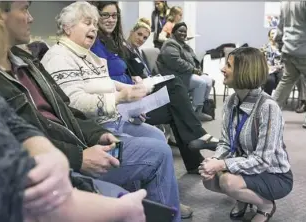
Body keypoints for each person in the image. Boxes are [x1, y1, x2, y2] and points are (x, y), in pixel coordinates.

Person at [0, 1, 180, 220]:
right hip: (73, 150)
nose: (94, 27)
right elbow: (60, 114)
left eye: (94, 23)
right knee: (158, 153)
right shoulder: (57, 57)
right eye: (87, 22)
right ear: (68, 27)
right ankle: (160, 206)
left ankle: (160, 203)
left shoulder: (29, 61)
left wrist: (96, 134)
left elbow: (65, 110)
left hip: (87, 136)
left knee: (154, 140)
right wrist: (79, 156)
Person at [0, 2, 147, 222]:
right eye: (25, 9)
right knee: (154, 155)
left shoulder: (29, 61)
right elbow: (5, 180)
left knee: (149, 146)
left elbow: (42, 116)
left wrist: (87, 137)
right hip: (62, 166)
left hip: (76, 145)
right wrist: (75, 159)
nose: (31, 18)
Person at [200, 47, 293, 222]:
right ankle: (243, 197)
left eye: (228, 65)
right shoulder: (231, 102)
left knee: (228, 182)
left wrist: (221, 164)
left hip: (274, 174)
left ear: (244, 71)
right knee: (209, 179)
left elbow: (263, 161)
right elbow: (226, 143)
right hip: (244, 165)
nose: (222, 69)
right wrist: (213, 161)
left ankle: (266, 205)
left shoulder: (268, 107)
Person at [124, 17, 219, 166]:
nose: (141, 39)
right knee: (176, 90)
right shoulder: (123, 52)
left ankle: (194, 162)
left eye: (145, 37)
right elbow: (126, 78)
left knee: (177, 107)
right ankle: (199, 136)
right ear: (131, 32)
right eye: (139, 34)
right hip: (133, 102)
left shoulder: (136, 52)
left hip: (145, 91)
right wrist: (136, 80)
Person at [156, 22, 214, 121]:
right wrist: (193, 70)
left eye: (184, 32)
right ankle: (192, 113)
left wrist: (198, 71)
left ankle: (198, 111)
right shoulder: (170, 44)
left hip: (184, 72)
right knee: (201, 83)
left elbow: (191, 59)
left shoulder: (182, 44)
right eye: (180, 31)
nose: (183, 33)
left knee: (208, 81)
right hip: (172, 75)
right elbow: (176, 62)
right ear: (174, 32)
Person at [273, 1, 306, 129]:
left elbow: (280, 26)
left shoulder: (286, 1)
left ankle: (269, 113)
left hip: (288, 48)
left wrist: (280, 44)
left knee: (287, 80)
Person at [261, 28, 283, 96]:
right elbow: (261, 60)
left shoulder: (282, 47)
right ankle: (267, 99)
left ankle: (279, 101)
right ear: (269, 36)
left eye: (276, 33)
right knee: (270, 80)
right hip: (269, 69)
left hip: (280, 69)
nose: (274, 35)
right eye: (272, 33)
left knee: (283, 80)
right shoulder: (264, 47)